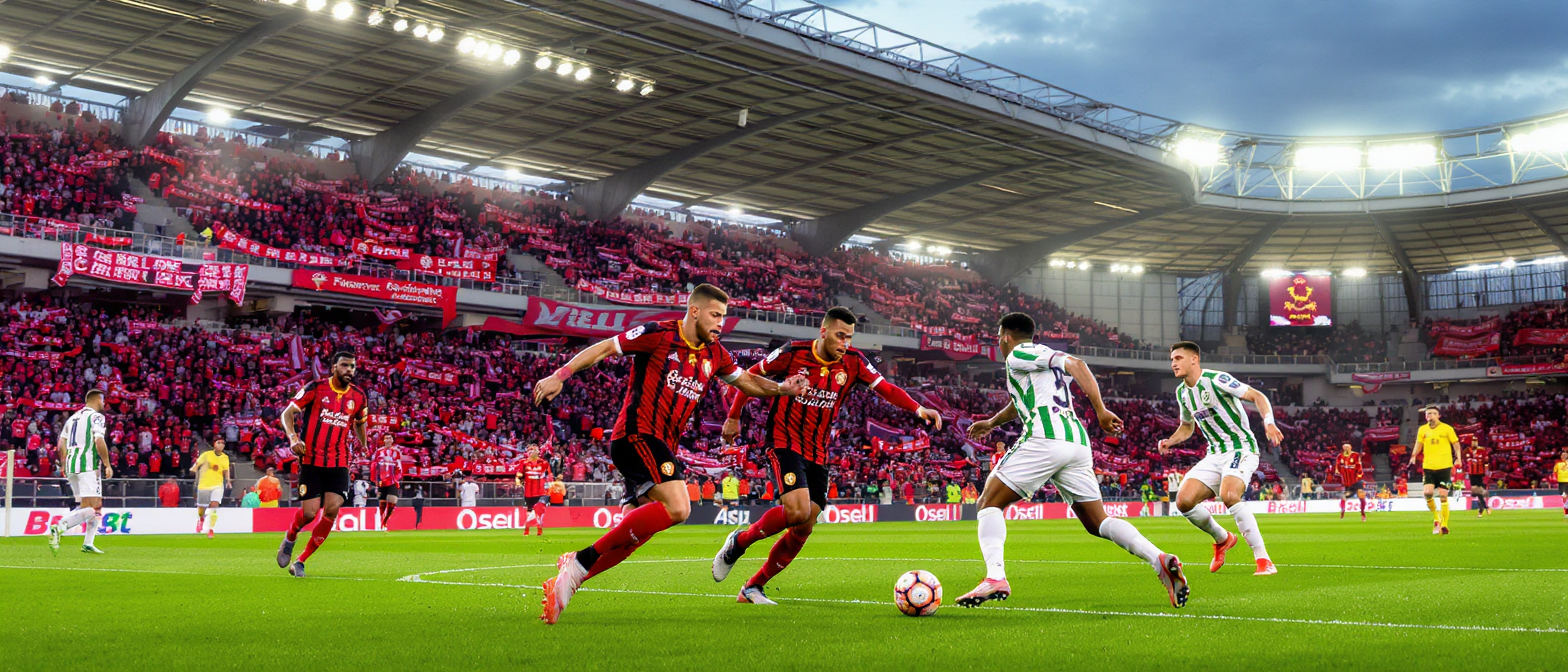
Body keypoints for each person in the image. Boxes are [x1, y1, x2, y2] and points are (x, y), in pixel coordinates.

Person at [533, 283, 808, 624]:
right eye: (715, 315)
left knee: (634, 536)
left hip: (662, 445)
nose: (720, 323)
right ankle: (579, 561)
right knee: (679, 507)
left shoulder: (716, 354)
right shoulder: (657, 334)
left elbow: (747, 382)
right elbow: (605, 348)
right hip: (636, 435)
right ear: (695, 311)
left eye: (723, 316)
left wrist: (782, 388)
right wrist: (561, 374)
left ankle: (566, 585)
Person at [954, 313, 1186, 609]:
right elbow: (1022, 402)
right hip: (1076, 443)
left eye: (999, 338)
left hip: (1045, 439)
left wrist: (1101, 410)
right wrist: (992, 422)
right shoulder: (1035, 364)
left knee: (988, 503)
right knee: (1097, 521)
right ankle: (1160, 560)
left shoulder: (1020, 352)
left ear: (1005, 336)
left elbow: (1078, 364)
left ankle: (995, 577)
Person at [712, 307, 939, 604]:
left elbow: (886, 388)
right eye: (840, 335)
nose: (844, 342)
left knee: (805, 525)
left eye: (849, 337)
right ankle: (739, 542)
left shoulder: (854, 362)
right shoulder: (792, 352)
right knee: (796, 510)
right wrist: (733, 416)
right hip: (784, 440)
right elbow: (747, 377)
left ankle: (753, 586)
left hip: (818, 451)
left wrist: (917, 408)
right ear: (823, 331)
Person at [1157, 341, 1283, 576]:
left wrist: (1269, 422)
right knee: (1183, 501)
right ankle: (1222, 539)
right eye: (1172, 359)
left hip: (1241, 449)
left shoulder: (1216, 380)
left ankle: (1264, 559)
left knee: (1229, 495)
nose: (1173, 363)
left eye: (1178, 358)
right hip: (1214, 454)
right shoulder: (1182, 393)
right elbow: (1187, 427)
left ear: (1194, 359)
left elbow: (1257, 395)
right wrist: (1170, 441)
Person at [276, 352, 369, 578]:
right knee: (309, 513)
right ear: (334, 367)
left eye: (353, 367)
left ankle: (301, 561)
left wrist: (364, 444)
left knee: (332, 509)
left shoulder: (359, 396)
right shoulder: (315, 388)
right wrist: (293, 438)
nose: (350, 370)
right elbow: (287, 413)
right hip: (311, 459)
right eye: (345, 366)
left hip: (339, 461)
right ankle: (290, 536)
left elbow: (360, 422)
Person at [47, 389, 112, 555]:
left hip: (71, 466)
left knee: (87, 505)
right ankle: (61, 525)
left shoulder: (72, 418)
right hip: (87, 465)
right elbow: (99, 440)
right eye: (102, 401)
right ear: (97, 400)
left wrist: (63, 464)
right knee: (95, 507)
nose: (103, 405)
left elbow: (61, 444)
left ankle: (88, 543)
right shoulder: (96, 417)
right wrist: (107, 464)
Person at [1410, 406, 1461, 535]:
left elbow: (1456, 444)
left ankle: (1444, 524)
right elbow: (1419, 443)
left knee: (1443, 496)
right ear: (1426, 416)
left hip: (1445, 467)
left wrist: (1458, 459)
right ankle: (1436, 517)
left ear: (1439, 416)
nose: (1430, 415)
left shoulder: (1447, 428)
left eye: (1433, 413)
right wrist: (1413, 455)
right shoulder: (1423, 429)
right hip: (1429, 467)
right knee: (1427, 493)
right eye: (1428, 414)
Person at [190, 438, 232, 538]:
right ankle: (201, 519)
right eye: (219, 443)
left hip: (217, 484)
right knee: (201, 508)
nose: (221, 445)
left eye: (223, 443)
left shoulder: (225, 457)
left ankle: (211, 529)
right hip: (204, 484)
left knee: (214, 505)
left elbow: (226, 470)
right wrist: (194, 471)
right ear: (214, 444)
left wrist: (228, 481)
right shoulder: (206, 455)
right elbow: (196, 465)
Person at [515, 444, 550, 536]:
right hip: (528, 491)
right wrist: (518, 482)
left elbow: (549, 475)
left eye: (534, 450)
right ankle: (528, 528)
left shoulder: (543, 463)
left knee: (537, 510)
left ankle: (538, 528)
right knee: (529, 511)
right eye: (530, 451)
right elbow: (519, 475)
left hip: (540, 491)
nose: (532, 453)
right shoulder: (523, 462)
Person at [371, 434, 404, 530]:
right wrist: (376, 480)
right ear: (384, 440)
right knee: (382, 503)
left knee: (393, 501)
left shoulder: (396, 452)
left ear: (393, 440)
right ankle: (381, 522)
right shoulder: (379, 452)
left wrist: (397, 478)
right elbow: (374, 466)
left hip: (392, 480)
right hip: (382, 481)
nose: (388, 440)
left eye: (390, 438)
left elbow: (399, 467)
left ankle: (384, 522)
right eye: (386, 438)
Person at [1334, 444, 1367, 522]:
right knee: (1344, 497)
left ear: (1351, 447)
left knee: (1361, 496)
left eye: (1348, 447)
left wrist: (1358, 474)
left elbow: (1359, 467)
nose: (1346, 448)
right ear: (1342, 448)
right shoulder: (1340, 456)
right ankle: (1342, 512)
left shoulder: (1355, 455)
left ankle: (1363, 514)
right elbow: (1337, 469)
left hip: (1357, 482)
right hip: (1348, 484)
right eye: (1345, 447)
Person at [1463, 436, 1490, 518]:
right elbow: (1464, 461)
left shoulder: (1482, 450)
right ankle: (1485, 508)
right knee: (1477, 492)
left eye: (1476, 441)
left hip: (1480, 473)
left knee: (1478, 492)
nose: (1474, 443)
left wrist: (1487, 471)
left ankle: (1482, 510)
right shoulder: (1467, 451)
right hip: (1472, 474)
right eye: (1473, 441)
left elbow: (1486, 462)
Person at [1554, 450, 1568, 519]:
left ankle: (1566, 511)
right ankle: (1566, 510)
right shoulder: (1558, 464)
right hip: (1561, 482)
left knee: (1565, 496)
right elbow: (1555, 473)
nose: (1563, 456)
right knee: (1564, 497)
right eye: (1562, 455)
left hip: (1567, 482)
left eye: (1564, 455)